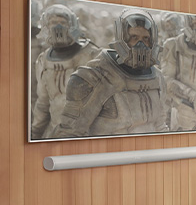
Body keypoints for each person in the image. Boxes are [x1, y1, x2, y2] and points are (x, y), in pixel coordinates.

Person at [53, 8, 168, 137]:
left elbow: (160, 125)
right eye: (134, 37)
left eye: (146, 38)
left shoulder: (157, 77)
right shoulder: (94, 78)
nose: (140, 44)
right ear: (122, 38)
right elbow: (70, 133)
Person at [30, 4, 100, 139]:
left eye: (62, 22)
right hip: (55, 131)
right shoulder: (44, 59)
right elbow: (43, 104)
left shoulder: (90, 54)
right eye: (53, 23)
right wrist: (35, 133)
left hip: (86, 132)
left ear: (71, 25)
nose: (58, 27)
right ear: (46, 26)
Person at [160, 15, 196, 130]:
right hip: (181, 112)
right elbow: (166, 80)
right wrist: (192, 97)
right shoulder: (174, 45)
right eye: (195, 24)